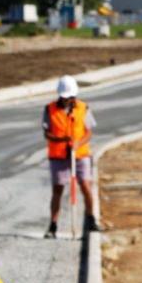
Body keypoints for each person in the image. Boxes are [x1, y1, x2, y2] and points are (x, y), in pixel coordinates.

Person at [42, 75, 101, 238]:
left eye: (72, 96)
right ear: (60, 96)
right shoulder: (50, 109)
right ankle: (53, 225)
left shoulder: (83, 108)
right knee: (58, 190)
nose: (69, 99)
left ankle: (91, 220)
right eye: (66, 97)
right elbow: (47, 133)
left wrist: (77, 143)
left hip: (80, 154)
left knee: (86, 186)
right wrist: (63, 140)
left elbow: (89, 132)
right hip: (58, 156)